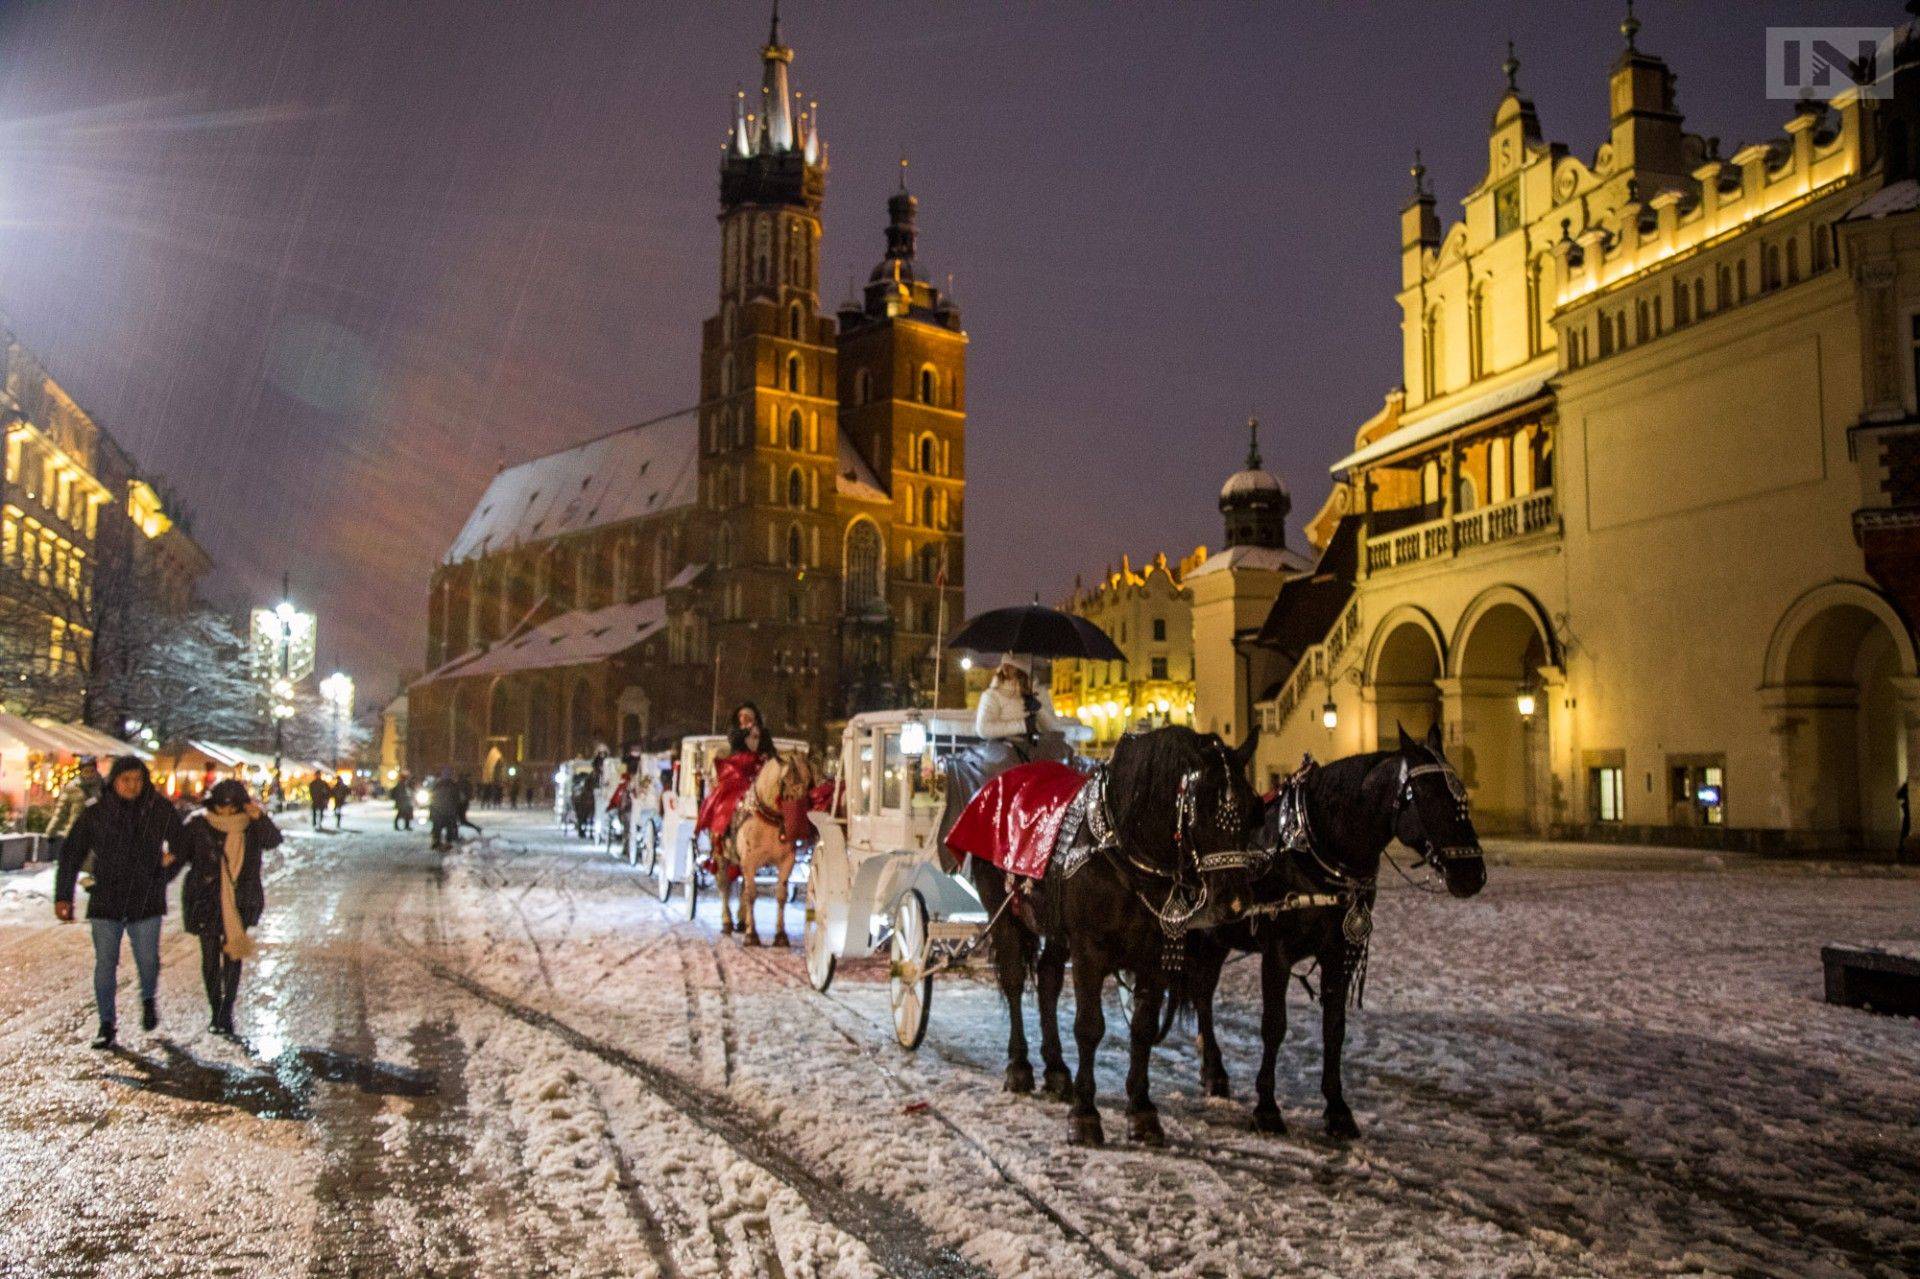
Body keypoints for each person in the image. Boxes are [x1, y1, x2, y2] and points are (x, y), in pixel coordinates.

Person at [53, 757, 186, 1048]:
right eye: (126, 780)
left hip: (145, 897)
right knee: (105, 963)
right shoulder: (96, 813)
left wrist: (165, 872)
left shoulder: (157, 809)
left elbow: (182, 843)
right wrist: (63, 896)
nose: (132, 785)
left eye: (137, 779)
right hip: (107, 897)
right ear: (114, 781)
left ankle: (148, 998)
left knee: (148, 960)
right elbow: (71, 854)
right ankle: (106, 1023)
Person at [178, 779, 279, 1035]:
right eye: (221, 807)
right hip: (205, 898)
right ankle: (215, 1010)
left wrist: (260, 818)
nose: (226, 813)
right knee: (210, 959)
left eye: (232, 807)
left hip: (240, 898)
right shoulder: (198, 824)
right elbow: (180, 853)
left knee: (233, 957)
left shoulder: (251, 826)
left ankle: (226, 1011)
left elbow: (273, 840)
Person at [972, 655, 1087, 745]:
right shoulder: (992, 695)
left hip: (1036, 752)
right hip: (1006, 756)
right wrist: (1023, 725)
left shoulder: (1040, 692)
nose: (1006, 670)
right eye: (1006, 667)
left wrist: (1039, 709)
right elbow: (983, 729)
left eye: (1013, 667)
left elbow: (1053, 727)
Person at [45, 755, 102, 869]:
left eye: (91, 771)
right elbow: (61, 812)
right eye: (86, 771)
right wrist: (51, 831)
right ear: (80, 771)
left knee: (92, 868)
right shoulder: (72, 788)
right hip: (75, 833)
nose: (89, 774)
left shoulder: (103, 786)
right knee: (74, 868)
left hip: (97, 834)